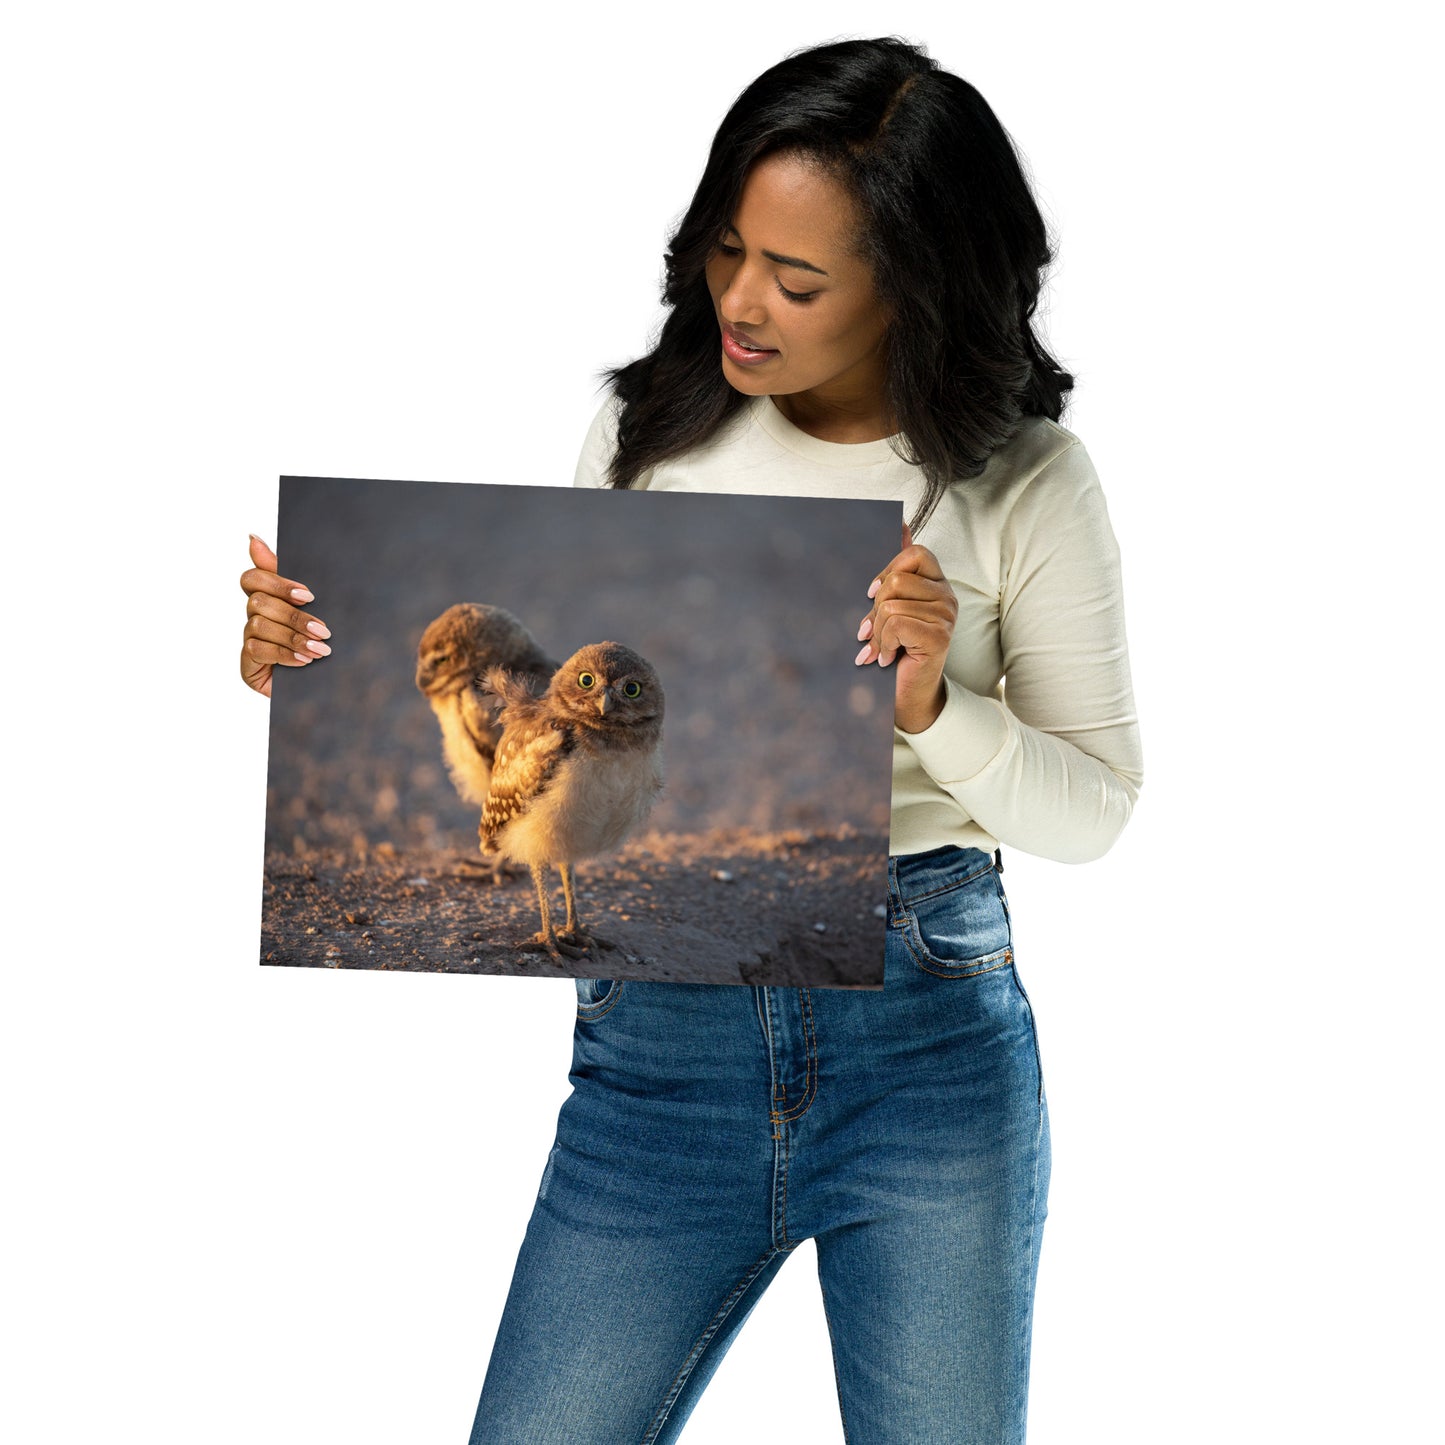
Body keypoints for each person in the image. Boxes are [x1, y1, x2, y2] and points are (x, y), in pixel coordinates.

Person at [240, 36, 1142, 1443]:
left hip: (927, 1053)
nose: (740, 301)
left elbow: (1093, 811)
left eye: (795, 278)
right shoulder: (644, 426)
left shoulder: (1024, 478)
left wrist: (933, 708)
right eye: (726, 251)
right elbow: (536, 707)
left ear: (914, 281)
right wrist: (304, 666)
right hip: (652, 1065)